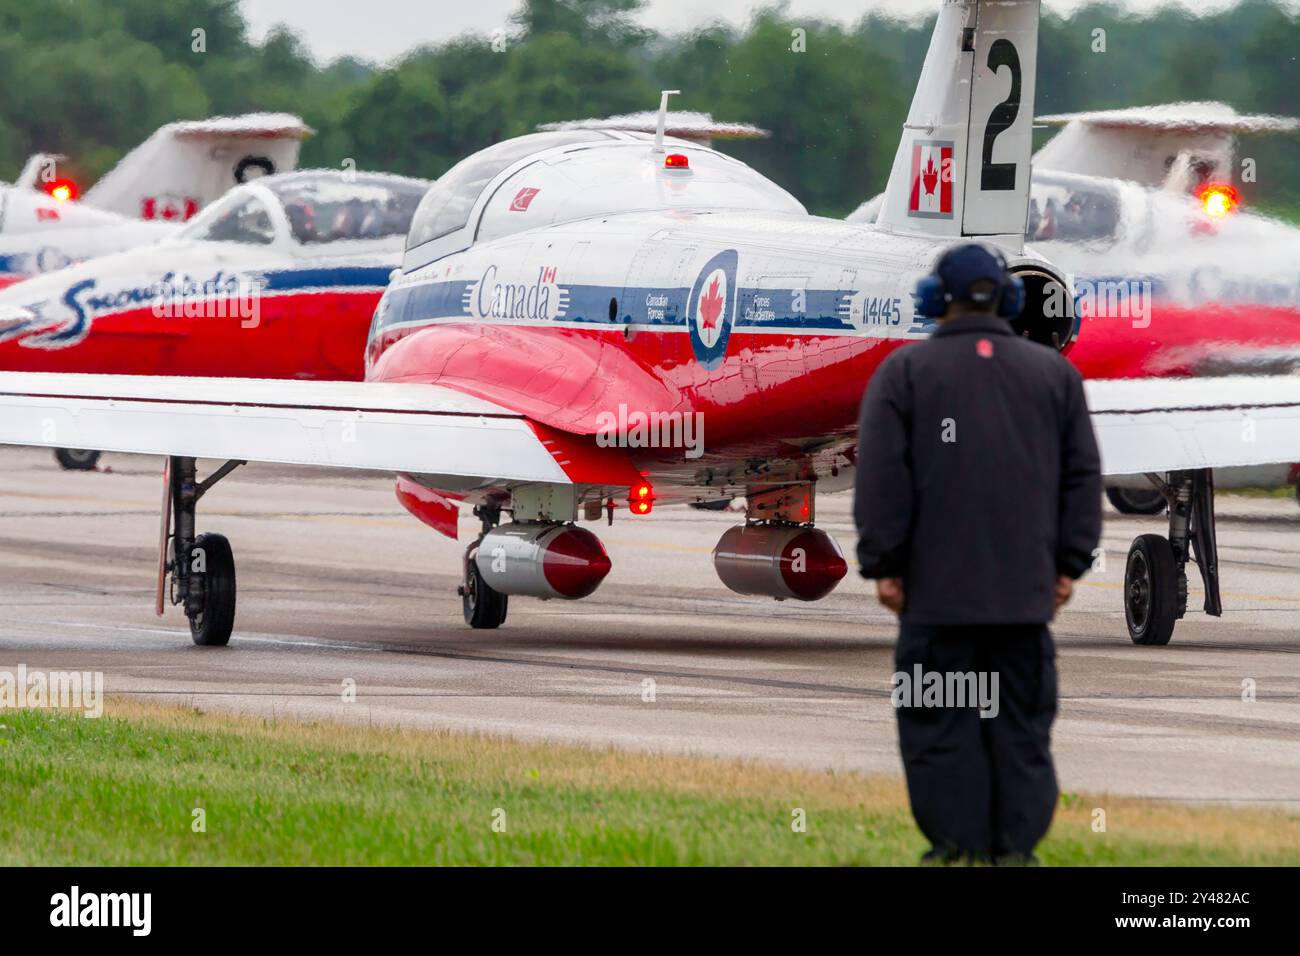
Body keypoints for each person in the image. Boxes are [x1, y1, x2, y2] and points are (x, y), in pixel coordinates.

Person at [853, 243, 1102, 865]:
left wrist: (884, 564)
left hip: (936, 602)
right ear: (1011, 299)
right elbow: (1082, 478)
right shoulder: (1056, 377)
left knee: (940, 725)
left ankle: (956, 847)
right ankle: (1016, 849)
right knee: (1020, 729)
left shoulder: (903, 375)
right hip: (1023, 603)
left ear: (936, 300)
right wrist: (1069, 565)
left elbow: (882, 479)